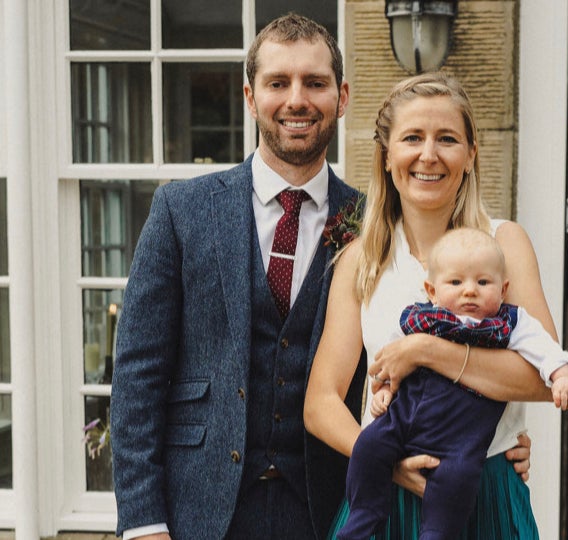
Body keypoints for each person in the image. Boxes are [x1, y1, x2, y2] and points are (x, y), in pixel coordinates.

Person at [110, 14, 367, 540]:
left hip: (329, 510)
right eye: (278, 83)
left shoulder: (372, 222)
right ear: (251, 98)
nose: (297, 99)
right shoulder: (181, 210)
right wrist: (142, 522)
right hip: (200, 510)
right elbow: (138, 373)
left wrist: (494, 442)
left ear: (341, 97)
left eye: (315, 83)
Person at [304, 71, 560, 540]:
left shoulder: (505, 242)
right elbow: (320, 402)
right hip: (383, 498)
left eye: (447, 138)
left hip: (485, 490)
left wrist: (424, 350)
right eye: (412, 138)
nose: (429, 155)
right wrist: (387, 460)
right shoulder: (362, 259)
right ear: (386, 156)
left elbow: (543, 377)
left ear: (470, 154)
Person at [338, 227, 568, 539]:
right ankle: (363, 517)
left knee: (456, 483)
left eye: (483, 282)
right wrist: (383, 390)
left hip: (460, 444)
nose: (469, 291)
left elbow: (544, 350)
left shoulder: (509, 323)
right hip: (402, 424)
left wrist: (561, 375)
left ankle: (437, 533)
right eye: (455, 282)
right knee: (369, 446)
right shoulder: (420, 317)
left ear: (503, 289)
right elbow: (388, 362)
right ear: (432, 290)